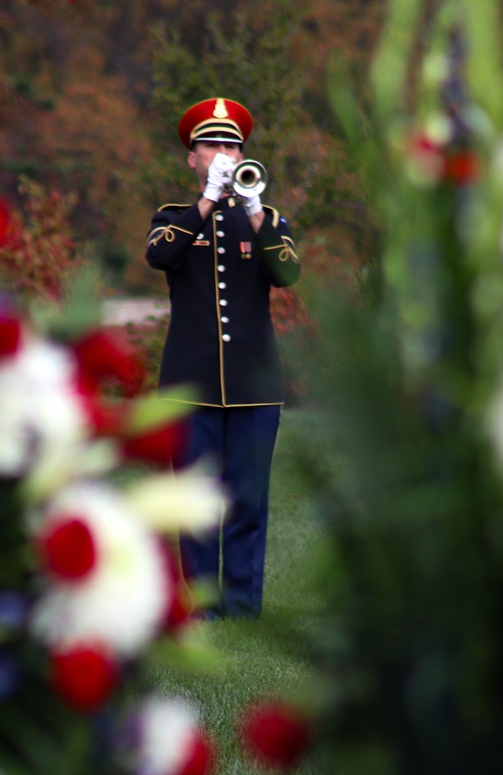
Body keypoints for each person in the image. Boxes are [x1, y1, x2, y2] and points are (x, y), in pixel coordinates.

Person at [145, 97, 300, 619]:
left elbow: (288, 275)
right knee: (194, 504)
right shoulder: (174, 218)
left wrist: (255, 211)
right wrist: (207, 202)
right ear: (192, 157)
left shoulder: (267, 219)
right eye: (211, 145)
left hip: (255, 387)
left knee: (248, 504)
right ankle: (199, 609)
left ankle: (241, 610)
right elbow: (160, 255)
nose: (222, 154)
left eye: (231, 145)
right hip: (191, 387)